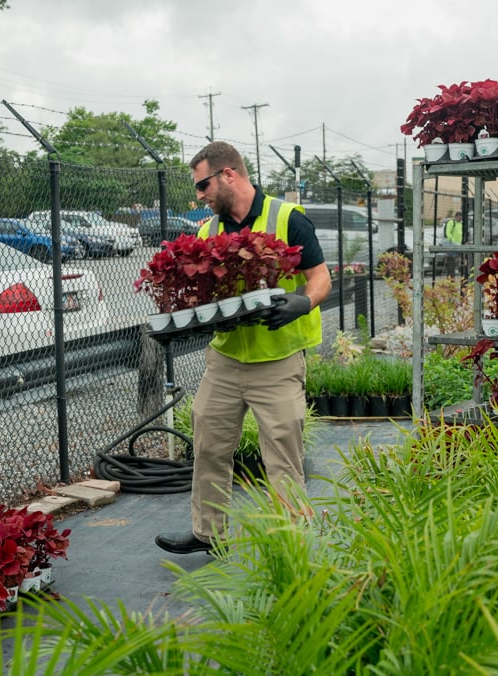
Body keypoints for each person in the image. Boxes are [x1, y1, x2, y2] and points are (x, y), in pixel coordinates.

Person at [155, 141, 332, 555]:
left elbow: (320, 277)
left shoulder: (287, 218)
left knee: (283, 452)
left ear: (228, 175)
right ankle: (208, 532)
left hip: (278, 360)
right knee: (209, 443)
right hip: (226, 359)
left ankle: (294, 539)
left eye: (203, 185)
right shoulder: (208, 231)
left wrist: (303, 302)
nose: (200, 196)